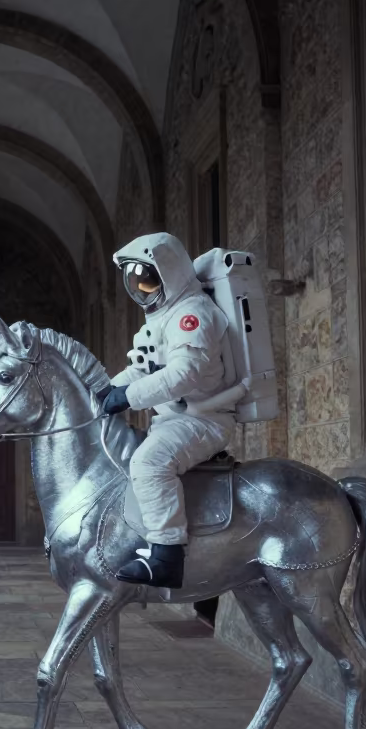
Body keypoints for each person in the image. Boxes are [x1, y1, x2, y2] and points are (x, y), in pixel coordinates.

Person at [96, 232, 235, 590]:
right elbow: (144, 367)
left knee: (148, 463)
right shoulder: (162, 318)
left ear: (169, 272)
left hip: (203, 419)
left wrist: (128, 397)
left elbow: (183, 373)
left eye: (147, 280)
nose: (142, 289)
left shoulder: (192, 314)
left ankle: (166, 557)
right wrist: (107, 390)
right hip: (174, 419)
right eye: (136, 283)